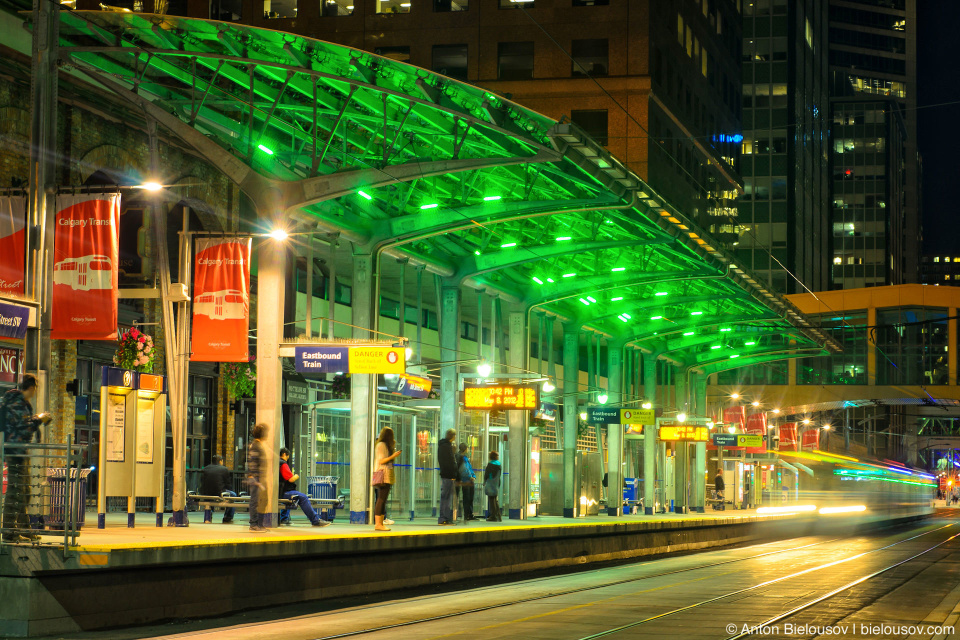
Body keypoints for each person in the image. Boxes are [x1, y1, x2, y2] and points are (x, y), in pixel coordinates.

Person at [1, 374, 51, 542]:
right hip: (15, 452)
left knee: (24, 491)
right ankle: (8, 531)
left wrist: (37, 419)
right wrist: (39, 419)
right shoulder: (16, 401)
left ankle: (24, 528)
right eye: (35, 389)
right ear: (31, 388)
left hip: (21, 451)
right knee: (15, 491)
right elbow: (23, 427)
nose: (35, 392)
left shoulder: (21, 403)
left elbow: (24, 423)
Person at [279, 448, 330, 527]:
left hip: (278, 491)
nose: (287, 458)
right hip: (281, 492)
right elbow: (291, 479)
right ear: (285, 454)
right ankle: (315, 520)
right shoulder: (283, 464)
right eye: (287, 456)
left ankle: (284, 519)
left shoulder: (275, 463)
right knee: (303, 497)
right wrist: (296, 476)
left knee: (293, 495)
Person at [373, 427, 401, 531]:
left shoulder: (385, 445)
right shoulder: (381, 445)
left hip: (386, 474)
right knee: (381, 499)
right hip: (382, 474)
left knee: (383, 499)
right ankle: (378, 524)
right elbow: (381, 460)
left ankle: (380, 523)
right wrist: (394, 455)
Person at [200, 455, 236, 523]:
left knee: (209, 498)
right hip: (219, 492)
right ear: (220, 461)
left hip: (206, 492)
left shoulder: (205, 469)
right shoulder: (224, 469)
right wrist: (229, 490)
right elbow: (228, 483)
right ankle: (227, 517)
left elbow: (202, 482)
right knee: (233, 495)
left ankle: (208, 516)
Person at [246, 423, 268, 532]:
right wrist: (254, 477)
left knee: (260, 501)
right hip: (256, 478)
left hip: (258, 478)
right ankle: (253, 524)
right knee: (255, 501)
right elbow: (252, 463)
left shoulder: (256, 445)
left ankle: (258, 524)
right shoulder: (255, 446)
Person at [437, 429, 458, 525]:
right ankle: (444, 518)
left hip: (444, 473)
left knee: (445, 497)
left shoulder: (442, 446)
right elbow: (450, 461)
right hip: (448, 474)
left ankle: (444, 517)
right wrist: (453, 474)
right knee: (446, 497)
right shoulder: (447, 447)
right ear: (452, 436)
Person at [457, 443, 478, 521]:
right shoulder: (462, 458)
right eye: (467, 448)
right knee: (467, 498)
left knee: (469, 498)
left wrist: (473, 476)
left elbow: (469, 468)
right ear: (465, 449)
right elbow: (464, 469)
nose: (468, 450)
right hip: (466, 481)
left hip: (469, 480)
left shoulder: (465, 458)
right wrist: (471, 477)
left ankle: (469, 514)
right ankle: (467, 515)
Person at [483, 451, 502, 522]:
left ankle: (493, 516)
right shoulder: (499, 464)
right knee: (495, 499)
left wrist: (485, 481)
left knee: (491, 500)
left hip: (491, 483)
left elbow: (487, 474)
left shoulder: (490, 464)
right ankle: (498, 516)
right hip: (496, 483)